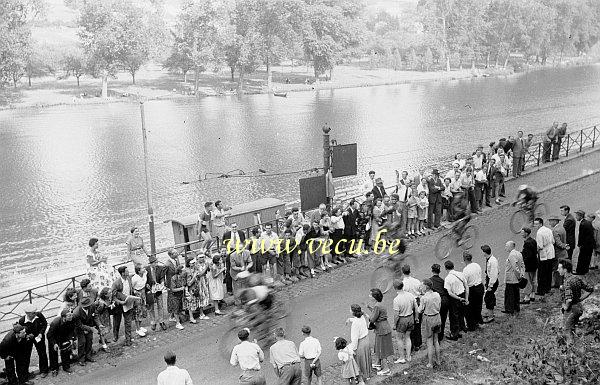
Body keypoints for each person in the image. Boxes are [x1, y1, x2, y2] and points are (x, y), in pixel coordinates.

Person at [558, 259, 594, 344]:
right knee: (572, 328)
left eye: (559, 268)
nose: (558, 270)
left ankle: (570, 351)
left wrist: (566, 307)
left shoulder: (567, 282)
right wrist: (580, 299)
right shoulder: (577, 278)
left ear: (565, 269)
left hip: (571, 309)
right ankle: (575, 347)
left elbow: (569, 299)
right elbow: (590, 289)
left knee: (567, 330)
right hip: (578, 307)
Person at [18, 303, 49, 378]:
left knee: (42, 353)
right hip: (28, 339)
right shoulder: (22, 321)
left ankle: (44, 370)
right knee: (26, 355)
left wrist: (41, 333)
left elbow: (45, 324)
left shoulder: (39, 315)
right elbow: (21, 332)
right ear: (27, 313)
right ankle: (25, 373)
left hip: (39, 337)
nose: (35, 314)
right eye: (33, 313)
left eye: (35, 312)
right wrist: (27, 336)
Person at [367, 289, 393, 376]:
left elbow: (372, 319)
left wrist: (367, 316)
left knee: (382, 349)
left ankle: (386, 369)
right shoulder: (379, 304)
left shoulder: (377, 306)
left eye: (370, 295)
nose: (369, 296)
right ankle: (378, 363)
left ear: (374, 297)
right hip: (384, 327)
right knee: (378, 346)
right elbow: (377, 314)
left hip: (381, 329)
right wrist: (371, 309)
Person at [392, 280, 417, 363]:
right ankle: (408, 356)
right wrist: (416, 317)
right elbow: (415, 308)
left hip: (402, 319)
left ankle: (402, 357)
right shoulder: (410, 295)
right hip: (410, 317)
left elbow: (396, 315)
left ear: (395, 288)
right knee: (407, 337)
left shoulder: (396, 299)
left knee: (399, 338)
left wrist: (395, 324)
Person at [419, 278, 442, 368]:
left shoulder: (424, 298)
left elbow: (420, 310)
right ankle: (438, 360)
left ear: (426, 287)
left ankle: (430, 363)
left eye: (422, 285)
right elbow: (439, 306)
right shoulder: (437, 294)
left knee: (429, 342)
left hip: (428, 319)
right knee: (436, 340)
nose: (421, 287)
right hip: (437, 317)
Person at [443, 260, 468, 340]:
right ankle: (462, 328)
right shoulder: (460, 274)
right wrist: (466, 298)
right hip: (462, 294)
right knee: (461, 313)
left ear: (446, 268)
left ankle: (454, 333)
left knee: (454, 316)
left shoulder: (447, 279)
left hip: (455, 298)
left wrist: (459, 298)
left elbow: (449, 293)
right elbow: (466, 286)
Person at [47, 309, 76, 376]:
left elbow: (72, 330)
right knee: (53, 353)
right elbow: (49, 335)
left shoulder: (71, 320)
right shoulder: (55, 323)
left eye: (71, 315)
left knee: (65, 351)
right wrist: (54, 344)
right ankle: (54, 369)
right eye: (69, 316)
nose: (71, 317)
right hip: (54, 338)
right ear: (63, 317)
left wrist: (71, 338)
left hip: (64, 337)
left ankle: (66, 367)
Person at [112, 266, 136, 344]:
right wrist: (120, 302)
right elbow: (113, 297)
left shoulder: (129, 278)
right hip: (119, 305)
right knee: (117, 321)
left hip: (128, 303)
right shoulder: (116, 283)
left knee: (128, 322)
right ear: (122, 273)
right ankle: (115, 335)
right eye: (126, 271)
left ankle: (128, 338)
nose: (128, 272)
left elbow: (131, 289)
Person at [72, 297, 100, 365]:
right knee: (82, 342)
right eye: (86, 306)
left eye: (89, 305)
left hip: (89, 325)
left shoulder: (92, 306)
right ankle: (81, 359)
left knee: (89, 340)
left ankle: (88, 356)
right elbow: (79, 325)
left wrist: (99, 324)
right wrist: (90, 329)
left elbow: (95, 316)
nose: (89, 306)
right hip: (80, 328)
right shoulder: (76, 313)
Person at [347, 304, 371, 380]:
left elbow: (354, 338)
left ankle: (361, 377)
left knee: (359, 360)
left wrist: (353, 349)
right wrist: (350, 319)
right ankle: (367, 374)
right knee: (366, 358)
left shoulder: (355, 324)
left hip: (360, 343)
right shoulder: (362, 317)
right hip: (366, 339)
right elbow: (358, 320)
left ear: (353, 312)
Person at [462, 251, 483, 330]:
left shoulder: (466, 270)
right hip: (479, 286)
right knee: (478, 305)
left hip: (472, 289)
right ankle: (478, 320)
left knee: (469, 308)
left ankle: (471, 325)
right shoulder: (477, 265)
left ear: (464, 259)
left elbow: (465, 283)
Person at [534, 218, 555, 297]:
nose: (535, 226)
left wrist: (535, 250)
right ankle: (548, 288)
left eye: (536, 224)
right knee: (549, 271)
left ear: (540, 224)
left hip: (544, 253)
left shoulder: (539, 233)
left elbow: (540, 246)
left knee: (542, 272)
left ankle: (541, 290)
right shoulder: (549, 230)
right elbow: (553, 241)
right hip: (550, 252)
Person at [146, 255, 167, 331]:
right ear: (151, 263)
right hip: (150, 291)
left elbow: (162, 278)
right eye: (155, 263)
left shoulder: (160, 268)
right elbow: (144, 280)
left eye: (157, 262)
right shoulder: (146, 269)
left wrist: (162, 283)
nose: (156, 264)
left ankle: (161, 321)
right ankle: (153, 322)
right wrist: (146, 285)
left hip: (158, 290)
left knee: (160, 305)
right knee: (151, 307)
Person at [503, 241, 524, 315]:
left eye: (506, 246)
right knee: (516, 294)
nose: (505, 247)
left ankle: (509, 309)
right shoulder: (519, 253)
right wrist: (521, 275)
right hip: (516, 278)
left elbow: (515, 268)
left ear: (510, 246)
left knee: (510, 294)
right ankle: (516, 307)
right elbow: (521, 265)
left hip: (511, 278)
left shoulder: (511, 255)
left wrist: (518, 277)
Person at [429, 264, 449, 341]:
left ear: (432, 271)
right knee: (443, 318)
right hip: (444, 301)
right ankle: (441, 335)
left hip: (435, 302)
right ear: (439, 271)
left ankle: (434, 335)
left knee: (434, 318)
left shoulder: (430, 281)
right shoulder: (442, 281)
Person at [548, 215, 569, 288]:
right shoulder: (562, 228)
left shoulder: (554, 230)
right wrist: (565, 246)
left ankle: (557, 284)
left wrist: (564, 246)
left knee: (557, 269)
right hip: (564, 253)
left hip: (558, 254)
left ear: (555, 221)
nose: (549, 223)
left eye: (550, 221)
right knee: (562, 269)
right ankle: (562, 283)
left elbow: (558, 243)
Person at [520, 227, 538, 304]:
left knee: (527, 280)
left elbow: (528, 255)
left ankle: (527, 297)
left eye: (522, 232)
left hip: (529, 265)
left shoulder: (527, 243)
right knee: (534, 280)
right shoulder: (533, 241)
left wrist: (522, 261)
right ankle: (532, 295)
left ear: (526, 233)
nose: (521, 234)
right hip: (535, 263)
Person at [481, 245, 499, 323]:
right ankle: (490, 313)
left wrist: (490, 285)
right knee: (489, 297)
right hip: (490, 280)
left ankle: (491, 316)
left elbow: (494, 274)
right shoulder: (489, 259)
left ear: (485, 252)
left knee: (489, 298)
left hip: (492, 282)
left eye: (483, 252)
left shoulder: (492, 261)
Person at [575, 210, 595, 275]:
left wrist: (579, 244)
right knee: (587, 258)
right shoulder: (587, 222)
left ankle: (580, 271)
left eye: (577, 216)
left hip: (585, 245)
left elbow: (581, 235)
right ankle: (585, 270)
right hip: (590, 245)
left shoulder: (583, 224)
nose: (576, 217)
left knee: (582, 258)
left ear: (580, 216)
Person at [131, 265, 148, 336]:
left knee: (143, 310)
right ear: (138, 271)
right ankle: (137, 329)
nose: (144, 268)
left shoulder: (144, 274)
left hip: (143, 293)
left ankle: (139, 327)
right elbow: (131, 287)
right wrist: (135, 292)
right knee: (138, 312)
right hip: (137, 295)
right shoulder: (134, 278)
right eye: (142, 268)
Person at [168, 265, 186, 330]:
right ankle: (178, 323)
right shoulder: (174, 278)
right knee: (176, 309)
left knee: (179, 308)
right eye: (183, 271)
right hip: (174, 296)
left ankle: (174, 318)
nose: (185, 272)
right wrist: (181, 288)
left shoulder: (183, 277)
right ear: (180, 272)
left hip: (180, 295)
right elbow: (173, 289)